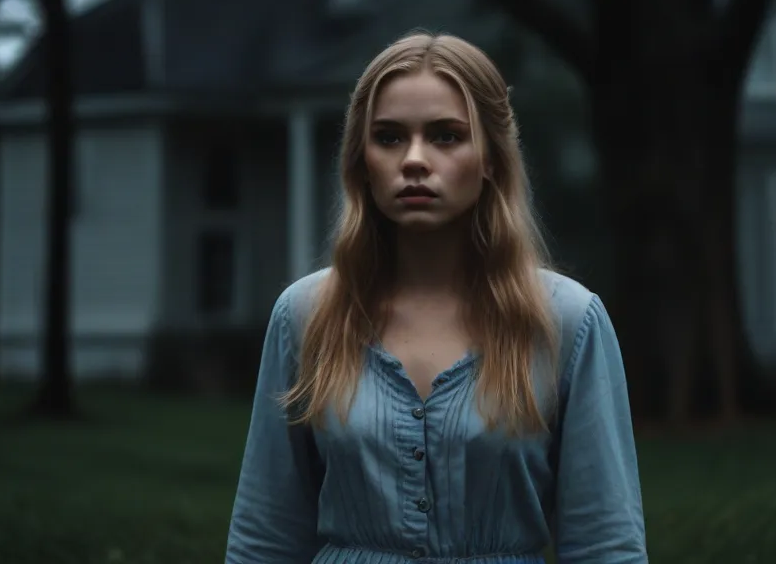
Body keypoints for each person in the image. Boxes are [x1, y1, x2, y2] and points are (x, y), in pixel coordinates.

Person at [224, 30, 647, 564]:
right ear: (362, 159)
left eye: (446, 136)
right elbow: (266, 538)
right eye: (390, 137)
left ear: (492, 157)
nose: (415, 160)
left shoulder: (566, 321)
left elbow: (605, 545)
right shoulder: (307, 315)